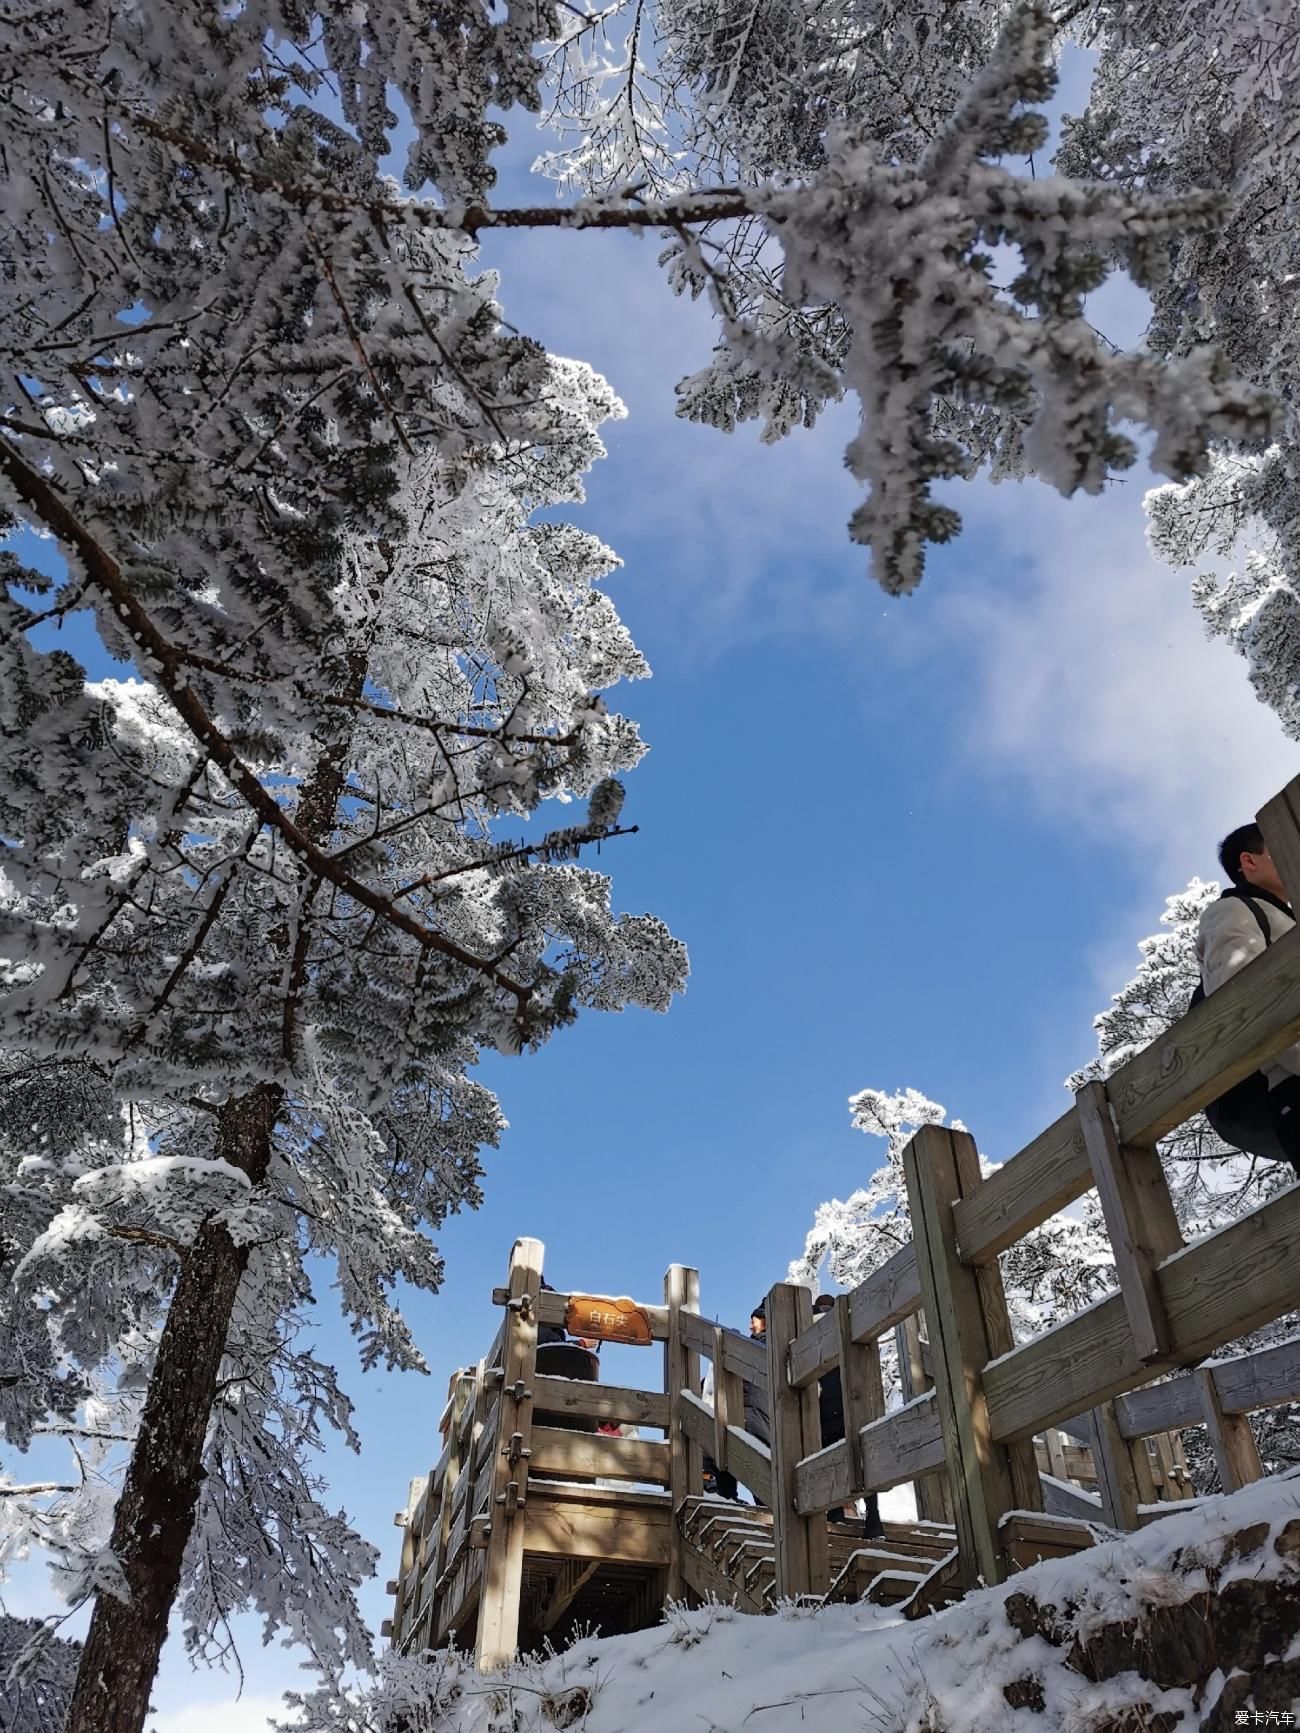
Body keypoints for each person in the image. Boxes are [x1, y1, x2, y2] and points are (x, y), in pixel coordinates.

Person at [1195, 824, 1300, 1175]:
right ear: (1249, 862)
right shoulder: (1234, 911)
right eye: (1281, 847)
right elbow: (1249, 1009)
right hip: (1290, 1086)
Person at [811, 1294, 885, 1540]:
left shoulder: (810, 1334)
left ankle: (834, 1513)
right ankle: (873, 1519)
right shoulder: (850, 1325)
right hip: (851, 1406)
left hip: (822, 1409)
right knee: (862, 1462)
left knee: (828, 1458)